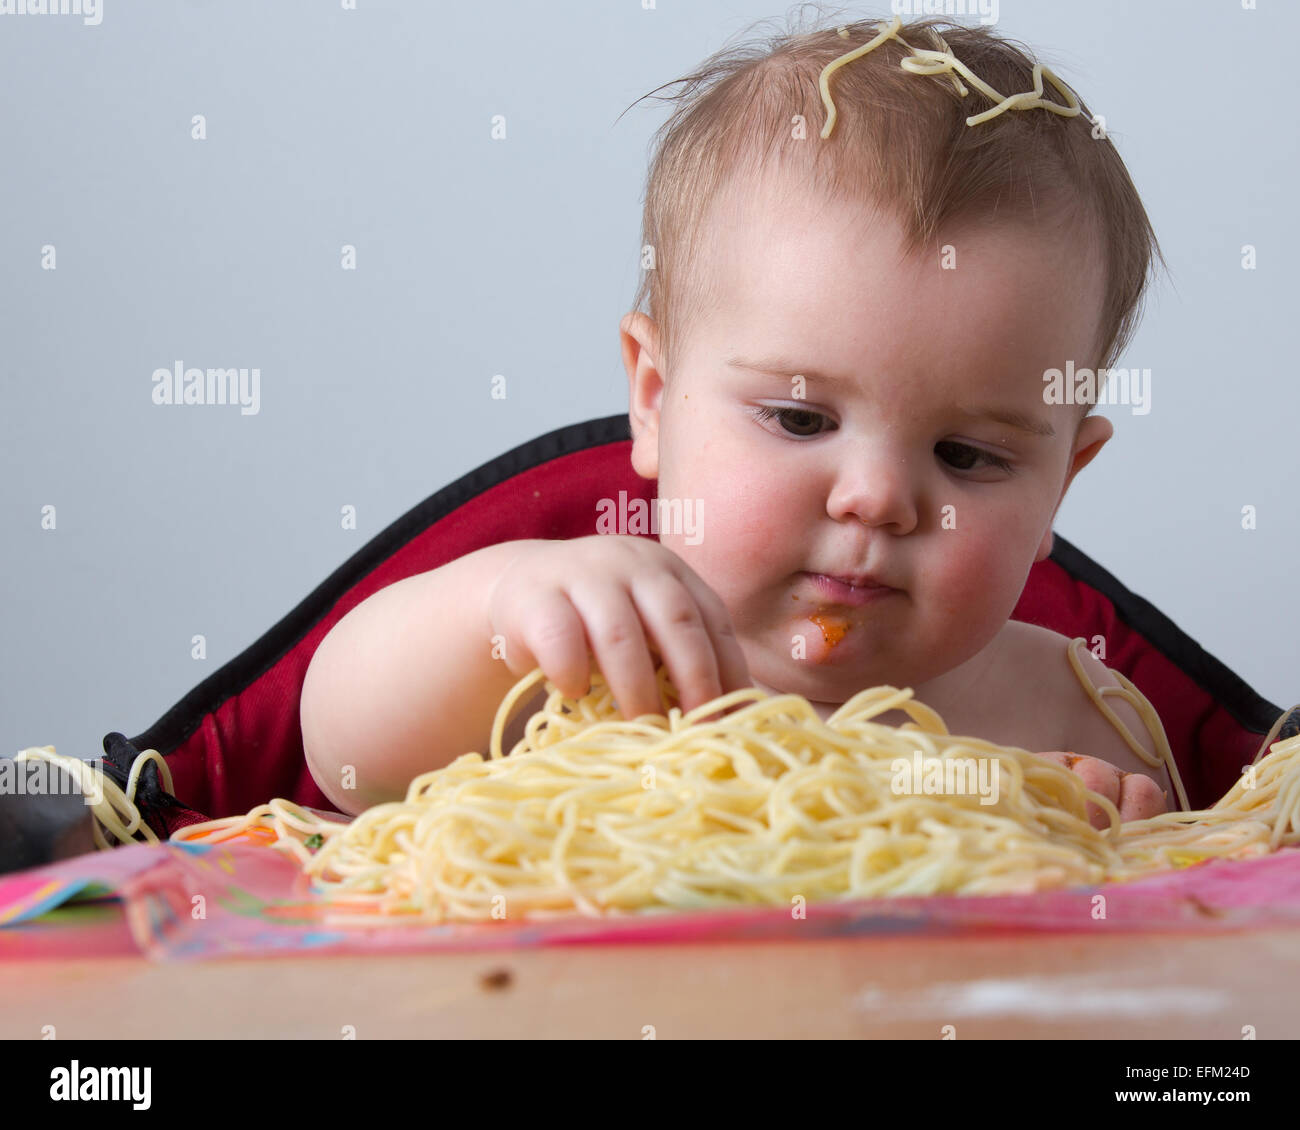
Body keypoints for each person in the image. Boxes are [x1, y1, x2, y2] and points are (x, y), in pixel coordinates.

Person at [300, 14, 1174, 828]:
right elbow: (344, 759)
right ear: (653, 397)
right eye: (799, 419)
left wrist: (1111, 839)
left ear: (1060, 486)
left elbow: (1193, 909)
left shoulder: (1079, 712)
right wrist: (501, 605)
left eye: (967, 455)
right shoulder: (596, 656)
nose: (874, 500)